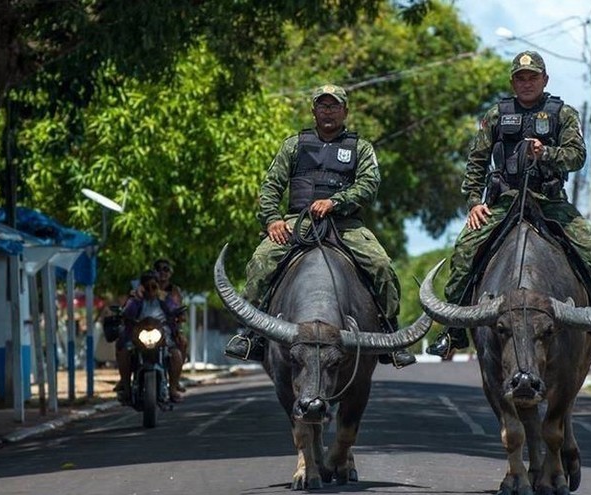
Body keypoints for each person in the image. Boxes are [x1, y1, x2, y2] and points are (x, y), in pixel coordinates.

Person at [426, 51, 591, 358]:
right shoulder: (496, 115)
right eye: (521, 78)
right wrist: (474, 203)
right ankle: (453, 330)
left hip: (549, 200)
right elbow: (476, 161)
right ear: (513, 81)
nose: (527, 83)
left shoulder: (564, 114)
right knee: (466, 249)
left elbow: (577, 157)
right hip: (505, 199)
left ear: (544, 80)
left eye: (533, 77)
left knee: (590, 249)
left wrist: (544, 152)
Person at [223, 83, 415, 368]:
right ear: (313, 110)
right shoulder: (293, 145)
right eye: (323, 105)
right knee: (260, 262)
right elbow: (270, 186)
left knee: (382, 265)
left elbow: (369, 185)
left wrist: (336, 202)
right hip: (297, 222)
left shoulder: (360, 148)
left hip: (345, 224)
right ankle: (250, 334)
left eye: (334, 105)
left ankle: (389, 333)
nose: (328, 111)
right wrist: (272, 219)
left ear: (345, 111)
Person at [115, 271, 185, 403]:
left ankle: (173, 389)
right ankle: (126, 389)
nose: (151, 290)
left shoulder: (165, 300)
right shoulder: (136, 301)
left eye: (154, 287)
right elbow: (126, 312)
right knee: (124, 352)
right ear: (142, 287)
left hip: (163, 336)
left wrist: (179, 314)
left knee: (176, 354)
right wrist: (131, 302)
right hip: (137, 337)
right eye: (147, 287)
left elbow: (176, 310)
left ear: (158, 286)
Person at [154, 258, 187, 393]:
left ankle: (174, 383)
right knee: (124, 346)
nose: (162, 273)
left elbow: (178, 310)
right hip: (145, 327)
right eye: (158, 269)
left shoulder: (174, 291)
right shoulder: (145, 288)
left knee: (182, 344)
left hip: (167, 329)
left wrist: (178, 321)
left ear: (170, 273)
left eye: (165, 269)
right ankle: (125, 382)